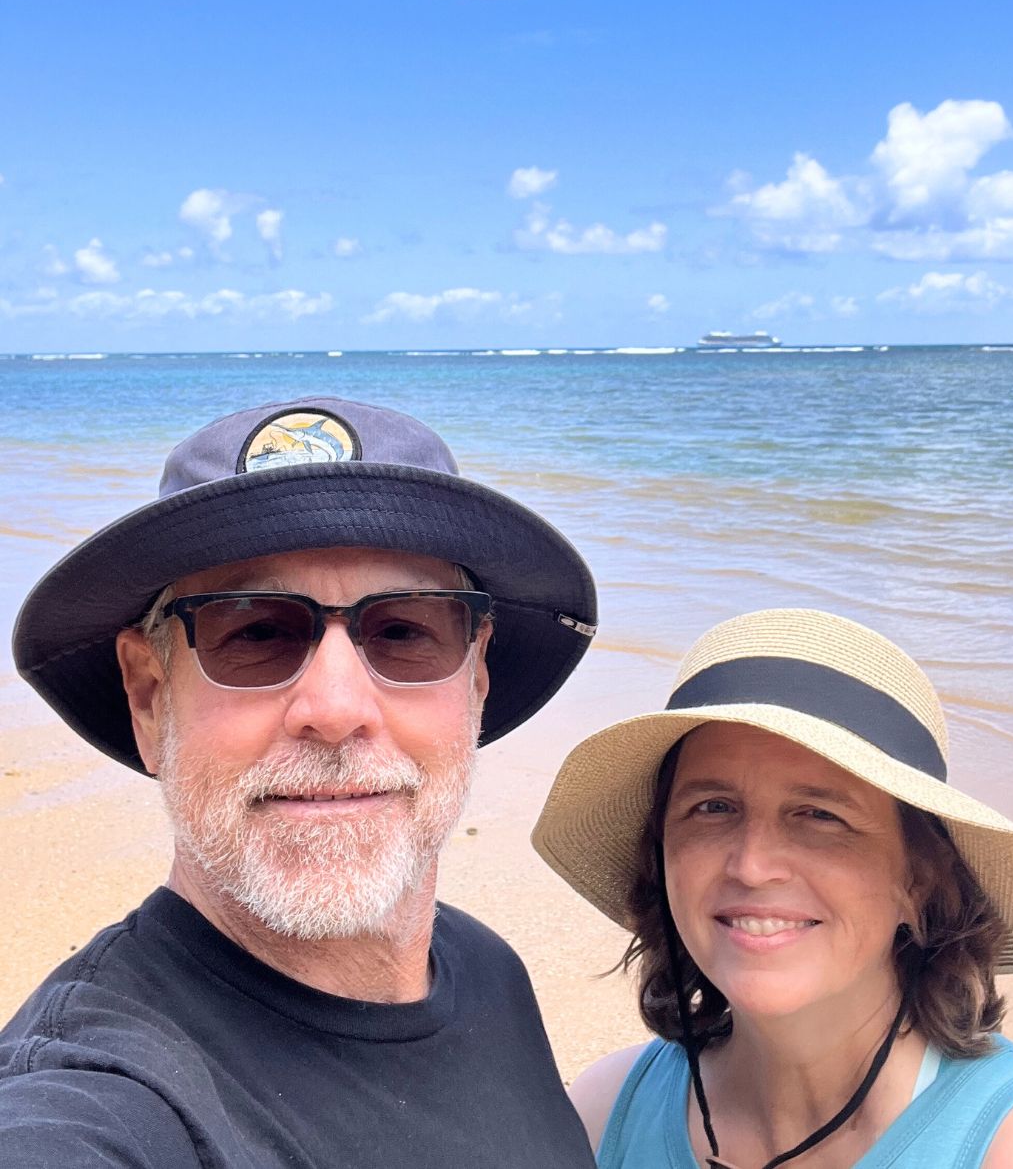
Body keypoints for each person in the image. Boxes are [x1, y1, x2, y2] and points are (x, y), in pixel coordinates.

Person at [1, 397, 599, 1168]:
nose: (336, 709)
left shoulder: (486, 970)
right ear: (150, 698)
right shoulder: (97, 1097)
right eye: (254, 631)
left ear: (477, 679)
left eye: (404, 631)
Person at [533, 608, 1013, 1168]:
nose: (752, 866)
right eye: (713, 807)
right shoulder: (604, 1111)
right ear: (660, 857)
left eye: (820, 816)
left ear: (919, 879)